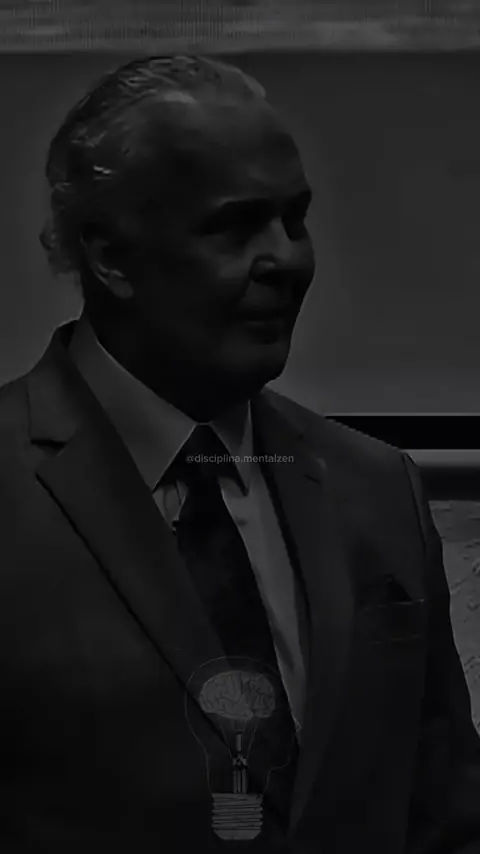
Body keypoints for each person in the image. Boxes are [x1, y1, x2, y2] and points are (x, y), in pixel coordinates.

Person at [0, 53, 478, 854]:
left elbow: (449, 817)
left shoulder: (376, 491)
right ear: (109, 255)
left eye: (295, 219)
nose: (286, 259)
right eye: (234, 226)